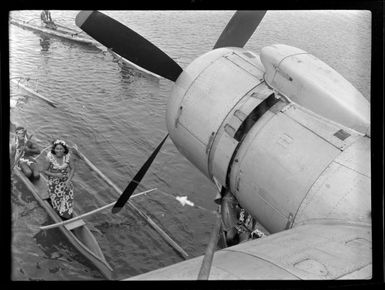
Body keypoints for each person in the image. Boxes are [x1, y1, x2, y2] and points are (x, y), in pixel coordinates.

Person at [41, 139, 75, 220]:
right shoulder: (49, 158)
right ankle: (58, 210)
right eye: (57, 149)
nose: (59, 151)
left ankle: (66, 213)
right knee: (57, 203)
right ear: (54, 149)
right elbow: (43, 171)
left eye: (61, 149)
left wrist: (68, 181)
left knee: (68, 196)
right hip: (54, 182)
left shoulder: (68, 157)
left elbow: (73, 169)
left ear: (64, 149)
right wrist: (55, 175)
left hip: (66, 181)